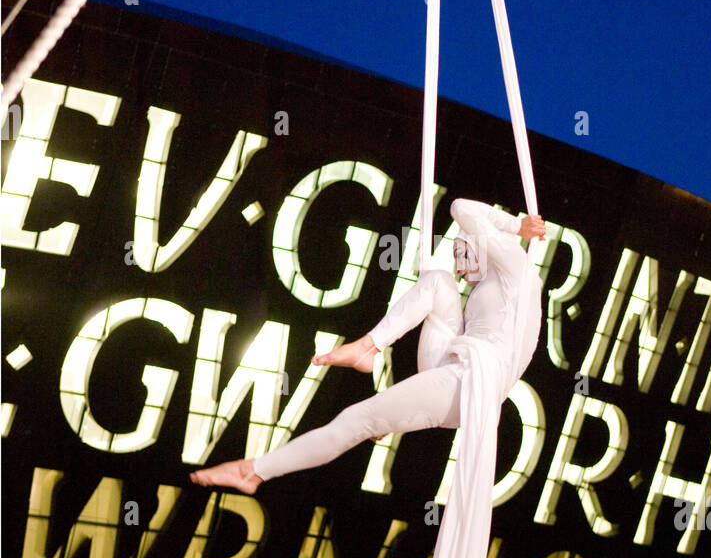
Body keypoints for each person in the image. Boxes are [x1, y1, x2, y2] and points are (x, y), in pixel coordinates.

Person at [189, 198, 545, 494]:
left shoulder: (518, 269)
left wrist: (517, 225)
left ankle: (255, 471)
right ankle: (369, 348)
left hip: (471, 384)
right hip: (458, 371)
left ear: (487, 245)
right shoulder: (485, 291)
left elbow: (460, 207)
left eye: (461, 253)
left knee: (356, 419)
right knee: (438, 282)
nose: (459, 267)